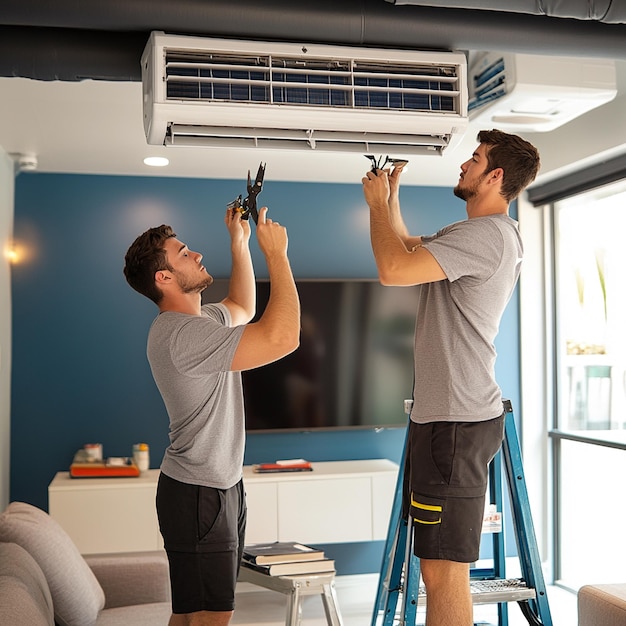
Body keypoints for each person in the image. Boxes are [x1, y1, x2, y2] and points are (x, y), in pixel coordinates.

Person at [362, 129, 540, 626]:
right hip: (446, 416)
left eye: (476, 159)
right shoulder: (478, 235)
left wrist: (375, 205)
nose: (465, 164)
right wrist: (391, 198)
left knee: (444, 574)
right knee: (437, 567)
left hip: (456, 422)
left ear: (496, 176)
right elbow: (404, 246)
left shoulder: (487, 236)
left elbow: (393, 269)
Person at [123, 206, 300, 626]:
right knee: (209, 618)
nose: (197, 255)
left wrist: (239, 242)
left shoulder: (197, 322)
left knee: (191, 615)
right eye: (184, 253)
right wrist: (278, 255)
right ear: (163, 278)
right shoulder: (185, 336)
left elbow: (240, 304)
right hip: (201, 495)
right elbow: (283, 337)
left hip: (211, 488)